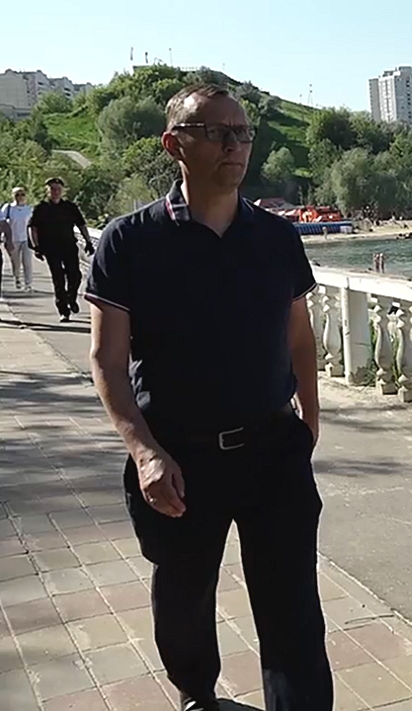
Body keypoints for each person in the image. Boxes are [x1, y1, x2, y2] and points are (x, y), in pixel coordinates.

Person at [85, 83, 332, 711]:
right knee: (184, 596)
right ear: (175, 144)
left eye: (242, 133)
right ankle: (197, 692)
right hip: (178, 456)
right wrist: (144, 452)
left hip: (273, 449)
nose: (234, 145)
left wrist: (308, 419)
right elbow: (107, 361)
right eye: (216, 132)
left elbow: (299, 338)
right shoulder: (129, 241)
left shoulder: (276, 238)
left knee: (293, 605)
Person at [29, 177, 94, 321]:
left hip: (69, 246)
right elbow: (33, 228)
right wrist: (36, 247)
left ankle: (71, 298)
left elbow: (81, 224)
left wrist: (88, 242)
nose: (56, 192)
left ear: (62, 191)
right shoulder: (41, 208)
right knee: (58, 278)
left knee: (75, 275)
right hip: (51, 249)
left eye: (58, 189)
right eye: (52, 189)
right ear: (48, 191)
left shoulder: (70, 207)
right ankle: (63, 310)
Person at [2, 187, 36, 293]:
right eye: (17, 194)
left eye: (22, 194)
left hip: (26, 239)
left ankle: (28, 284)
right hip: (13, 239)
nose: (20, 197)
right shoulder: (8, 208)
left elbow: (34, 224)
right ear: (13, 196)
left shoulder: (29, 209)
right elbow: (2, 222)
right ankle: (17, 278)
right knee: (15, 262)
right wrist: (7, 239)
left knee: (27, 262)